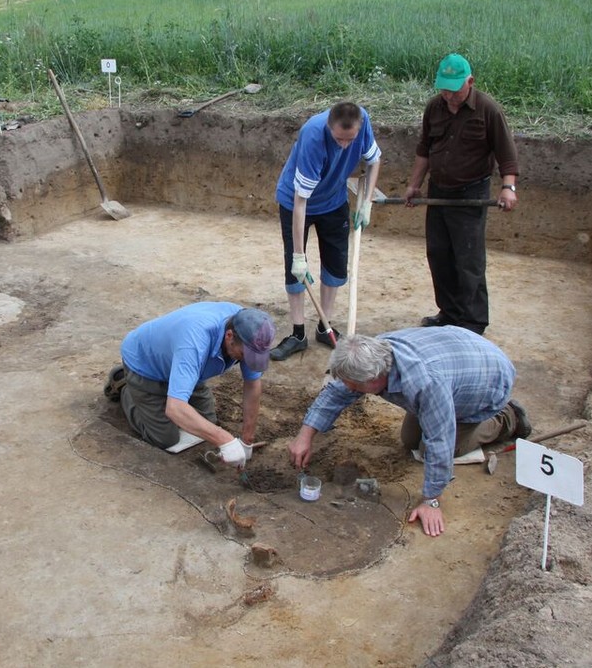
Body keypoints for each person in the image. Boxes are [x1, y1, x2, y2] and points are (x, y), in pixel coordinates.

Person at [286, 328, 531, 537]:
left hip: (487, 382)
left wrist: (431, 500)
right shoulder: (372, 353)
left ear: (374, 380)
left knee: (430, 448)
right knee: (410, 440)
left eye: (354, 386)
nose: (348, 389)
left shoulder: (426, 384)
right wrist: (305, 435)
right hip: (457, 357)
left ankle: (507, 418)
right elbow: (336, 392)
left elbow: (440, 440)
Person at [402, 53, 519, 336]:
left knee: (468, 259)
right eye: (443, 89)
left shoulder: (488, 110)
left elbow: (507, 153)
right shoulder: (434, 108)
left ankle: (473, 322)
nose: (448, 95)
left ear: (470, 82)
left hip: (470, 194)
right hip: (438, 192)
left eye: (454, 90)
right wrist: (414, 184)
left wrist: (508, 187)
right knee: (439, 254)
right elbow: (424, 149)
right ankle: (449, 312)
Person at [271, 102, 382, 360]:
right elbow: (301, 203)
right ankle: (298, 333)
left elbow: (374, 161)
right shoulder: (313, 136)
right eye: (339, 139)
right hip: (296, 201)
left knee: (335, 265)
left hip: (334, 201)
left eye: (350, 139)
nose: (344, 145)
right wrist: (299, 256)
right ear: (329, 127)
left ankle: (325, 326)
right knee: (295, 269)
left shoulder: (362, 120)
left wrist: (367, 202)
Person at [103, 302, 275, 467]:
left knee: (207, 422)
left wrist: (247, 439)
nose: (247, 360)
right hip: (145, 365)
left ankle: (174, 387)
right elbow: (175, 409)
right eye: (245, 355)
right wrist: (226, 441)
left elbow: (252, 385)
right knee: (165, 439)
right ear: (229, 336)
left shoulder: (250, 331)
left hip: (187, 367)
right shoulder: (194, 342)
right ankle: (127, 387)